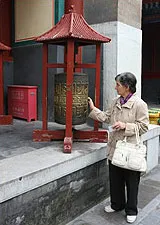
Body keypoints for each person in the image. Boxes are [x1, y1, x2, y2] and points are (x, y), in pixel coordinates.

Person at [88, 72, 149, 224]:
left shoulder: (140, 104)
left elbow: (144, 127)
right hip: (115, 147)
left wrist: (125, 126)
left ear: (127, 87)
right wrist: (93, 109)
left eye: (118, 85)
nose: (115, 87)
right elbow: (106, 117)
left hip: (130, 149)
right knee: (115, 179)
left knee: (131, 181)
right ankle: (117, 204)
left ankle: (131, 210)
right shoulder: (115, 101)